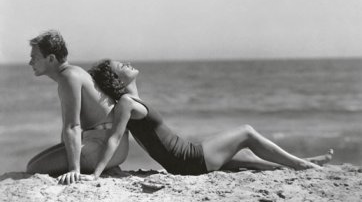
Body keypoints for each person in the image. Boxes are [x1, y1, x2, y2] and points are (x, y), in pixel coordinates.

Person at [80, 59, 333, 180]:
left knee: (245, 159)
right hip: (188, 160)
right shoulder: (125, 104)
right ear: (117, 79)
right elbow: (113, 139)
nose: (127, 63)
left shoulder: (131, 100)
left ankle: (298, 163)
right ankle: (302, 166)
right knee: (246, 132)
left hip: (184, 158)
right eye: (121, 66)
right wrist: (96, 174)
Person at [26, 31, 129, 184]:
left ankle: (96, 166)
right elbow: (68, 127)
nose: (30, 63)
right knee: (35, 161)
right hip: (111, 147)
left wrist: (74, 169)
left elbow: (73, 126)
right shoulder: (73, 73)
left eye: (34, 58)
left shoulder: (69, 78)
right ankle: (106, 166)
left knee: (33, 167)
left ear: (51, 58)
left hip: (103, 147)